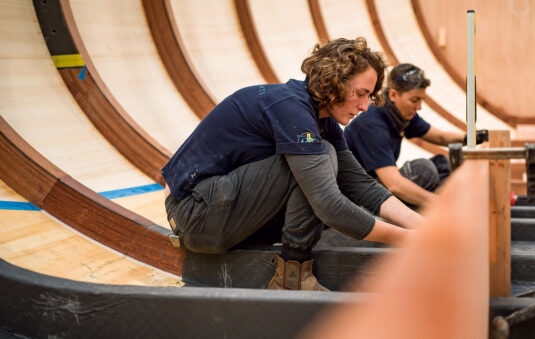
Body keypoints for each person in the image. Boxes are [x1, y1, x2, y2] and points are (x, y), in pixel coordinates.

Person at [162, 38, 423, 291]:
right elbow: (330, 206)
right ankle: (293, 276)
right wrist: (408, 239)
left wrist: (422, 226)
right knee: (321, 159)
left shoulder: (321, 118)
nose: (366, 106)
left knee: (322, 159)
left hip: (218, 209)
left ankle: (293, 270)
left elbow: (360, 184)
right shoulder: (291, 108)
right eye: (360, 94)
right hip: (194, 217)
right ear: (333, 82)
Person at [344, 63, 482, 209]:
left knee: (442, 164)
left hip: (377, 187)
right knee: (423, 170)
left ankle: (429, 215)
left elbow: (440, 137)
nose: (419, 107)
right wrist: (438, 202)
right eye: (415, 100)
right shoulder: (371, 125)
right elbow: (394, 185)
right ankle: (432, 217)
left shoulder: (401, 114)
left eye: (422, 100)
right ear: (393, 95)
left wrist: (474, 138)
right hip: (357, 200)